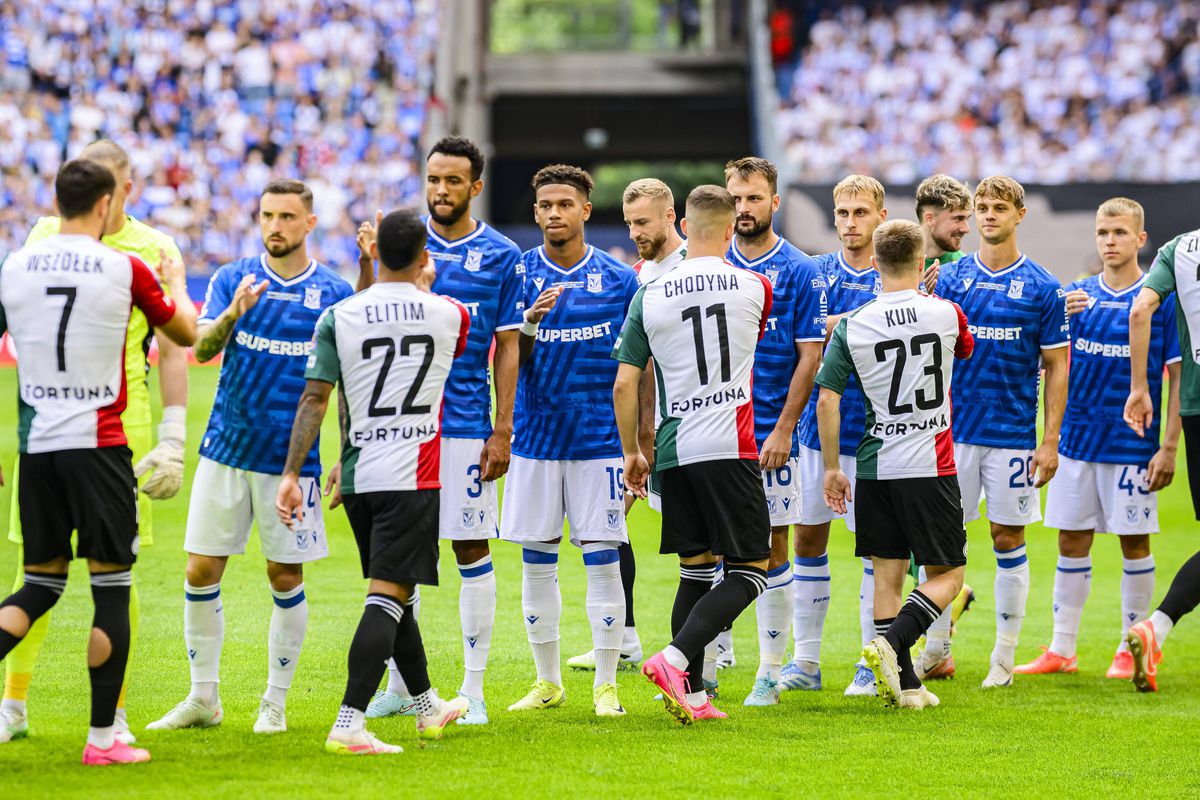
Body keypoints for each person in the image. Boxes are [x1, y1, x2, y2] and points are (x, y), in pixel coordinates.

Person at [0, 159, 197, 764]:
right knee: (111, 588)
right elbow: (184, 335)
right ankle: (103, 739)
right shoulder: (126, 265)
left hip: (38, 449)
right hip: (101, 443)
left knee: (37, 583)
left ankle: (17, 707)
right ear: (108, 204)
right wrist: (173, 281)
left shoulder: (16, 265)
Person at [148, 181, 355, 734]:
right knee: (199, 568)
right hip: (227, 448)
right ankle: (202, 698)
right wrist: (234, 313)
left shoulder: (333, 291)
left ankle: (275, 702)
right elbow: (202, 348)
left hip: (293, 462)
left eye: (287, 216)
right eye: (267, 215)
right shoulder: (231, 277)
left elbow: (346, 383)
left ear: (310, 223)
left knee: (284, 575)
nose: (275, 226)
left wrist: (346, 451)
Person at [276, 208, 471, 754]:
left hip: (360, 475)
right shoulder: (448, 313)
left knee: (398, 591)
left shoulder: (339, 315)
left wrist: (294, 472)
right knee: (387, 593)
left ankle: (427, 706)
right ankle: (349, 722)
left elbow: (317, 398)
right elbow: (458, 324)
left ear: (375, 252)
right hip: (413, 476)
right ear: (424, 257)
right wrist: (425, 284)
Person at [364, 137, 523, 726]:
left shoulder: (502, 255)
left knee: (470, 549)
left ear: (475, 187)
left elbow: (506, 346)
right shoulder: (404, 241)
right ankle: (404, 685)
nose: (441, 190)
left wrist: (501, 429)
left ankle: (473, 689)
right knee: (400, 560)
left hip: (461, 425)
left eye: (454, 181)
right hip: (401, 429)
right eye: (434, 179)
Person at [615, 184, 774, 724]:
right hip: (730, 442)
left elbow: (625, 383)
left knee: (697, 569)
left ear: (683, 221)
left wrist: (633, 451)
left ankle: (696, 695)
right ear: (731, 229)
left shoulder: (648, 294)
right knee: (754, 568)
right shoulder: (755, 284)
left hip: (671, 445)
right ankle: (677, 660)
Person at [1016, 198, 1179, 679]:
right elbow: (1053, 363)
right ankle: (1062, 649)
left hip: (1131, 445)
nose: (1110, 241)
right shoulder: (1077, 297)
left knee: (1134, 543)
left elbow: (1175, 378)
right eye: (1103, 233)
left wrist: (1168, 446)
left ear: (1140, 240)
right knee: (1071, 541)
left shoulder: (1156, 302)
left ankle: (1131, 646)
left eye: (1120, 233)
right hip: (1077, 442)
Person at [501, 165, 639, 717]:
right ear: (535, 213)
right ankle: (547, 681)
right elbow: (508, 360)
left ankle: (606, 683)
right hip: (535, 443)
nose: (554, 213)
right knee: (537, 561)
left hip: (600, 443)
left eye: (565, 203)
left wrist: (639, 441)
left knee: (603, 560)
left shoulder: (618, 279)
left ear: (586, 209)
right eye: (545, 205)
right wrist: (528, 324)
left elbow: (638, 367)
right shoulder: (518, 276)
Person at [819, 219, 974, 710]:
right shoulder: (947, 312)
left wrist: (829, 467)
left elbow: (827, 401)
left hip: (874, 465)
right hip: (930, 463)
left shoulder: (852, 324)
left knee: (886, 576)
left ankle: (905, 687)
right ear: (924, 263)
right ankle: (893, 647)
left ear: (872, 264)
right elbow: (965, 351)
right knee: (949, 576)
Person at [932, 175, 1070, 688]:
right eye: (981, 207)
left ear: (1019, 215)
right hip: (953, 433)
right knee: (946, 543)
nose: (988, 215)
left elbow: (1057, 365)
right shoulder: (949, 279)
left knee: (1007, 536)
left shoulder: (1043, 286)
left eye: (998, 208)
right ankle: (938, 647)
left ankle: (1004, 659)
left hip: (1012, 434)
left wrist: (1049, 440)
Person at [567, 177, 685, 674]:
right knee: (610, 526)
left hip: (688, 422)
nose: (635, 231)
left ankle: (714, 645)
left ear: (670, 216)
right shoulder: (636, 276)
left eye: (643, 222)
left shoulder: (694, 269)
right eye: (629, 222)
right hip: (641, 427)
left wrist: (650, 429)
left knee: (696, 536)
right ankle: (626, 635)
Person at [725, 157, 826, 705]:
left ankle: (769, 670)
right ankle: (710, 664)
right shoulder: (713, 265)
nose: (744, 209)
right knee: (712, 550)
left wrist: (785, 428)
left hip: (768, 433)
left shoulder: (801, 269)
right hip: (714, 430)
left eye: (754, 198)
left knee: (773, 545)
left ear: (775, 202)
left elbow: (809, 356)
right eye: (736, 198)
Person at [792, 174, 887, 696]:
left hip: (877, 435)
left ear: (880, 215)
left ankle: (870, 662)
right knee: (808, 534)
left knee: (876, 550)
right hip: (816, 432)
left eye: (860, 213)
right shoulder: (814, 273)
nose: (850, 223)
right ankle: (805, 662)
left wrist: (843, 324)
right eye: (843, 213)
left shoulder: (894, 273)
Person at [1123, 222, 1200, 692]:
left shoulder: (1180, 247)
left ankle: (1158, 628)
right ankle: (1158, 625)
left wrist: (1140, 387)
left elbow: (1141, 308)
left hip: (1194, 407)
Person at [913, 174, 977, 682]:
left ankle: (935, 647)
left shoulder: (965, 271)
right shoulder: (900, 265)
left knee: (939, 543)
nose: (966, 229)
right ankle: (939, 639)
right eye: (959, 219)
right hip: (911, 424)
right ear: (930, 218)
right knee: (923, 543)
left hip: (955, 424)